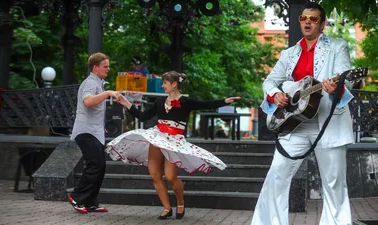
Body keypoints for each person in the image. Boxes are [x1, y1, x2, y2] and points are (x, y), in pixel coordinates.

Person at [252, 2, 354, 225]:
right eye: (303, 18)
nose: (307, 22)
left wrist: (336, 85)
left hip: (328, 122)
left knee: (334, 182)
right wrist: (276, 94)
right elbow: (269, 81)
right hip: (295, 124)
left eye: (314, 19)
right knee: (276, 175)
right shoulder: (289, 53)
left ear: (323, 24)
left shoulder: (338, 46)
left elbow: (346, 75)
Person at [106, 71, 240, 220]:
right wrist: (126, 103)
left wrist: (225, 101)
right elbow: (143, 117)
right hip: (157, 138)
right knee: (155, 174)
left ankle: (180, 202)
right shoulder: (159, 102)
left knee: (170, 176)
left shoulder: (186, 102)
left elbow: (206, 104)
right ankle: (167, 208)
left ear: (174, 84)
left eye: (165, 83)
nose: (162, 86)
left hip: (174, 142)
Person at [68, 52, 125, 214]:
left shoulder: (97, 83)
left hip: (94, 132)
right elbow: (88, 102)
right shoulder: (90, 83)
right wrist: (108, 93)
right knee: (96, 165)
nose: (108, 69)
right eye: (105, 66)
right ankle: (77, 197)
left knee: (100, 166)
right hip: (86, 132)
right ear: (96, 67)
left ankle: (90, 202)